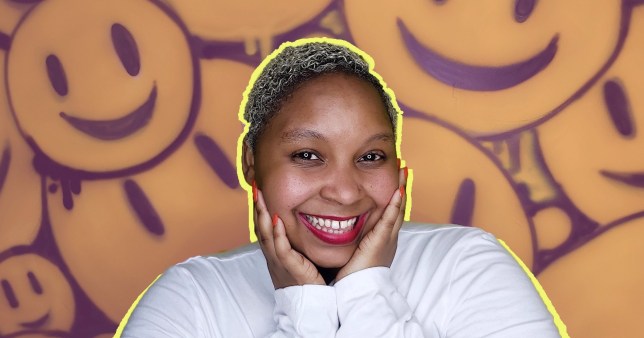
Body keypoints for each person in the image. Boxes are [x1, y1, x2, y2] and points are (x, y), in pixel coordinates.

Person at [117, 38, 563, 337]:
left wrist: (366, 291)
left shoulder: (468, 266)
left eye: (370, 157)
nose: (346, 192)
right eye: (308, 156)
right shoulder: (190, 299)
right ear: (249, 162)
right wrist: (304, 306)